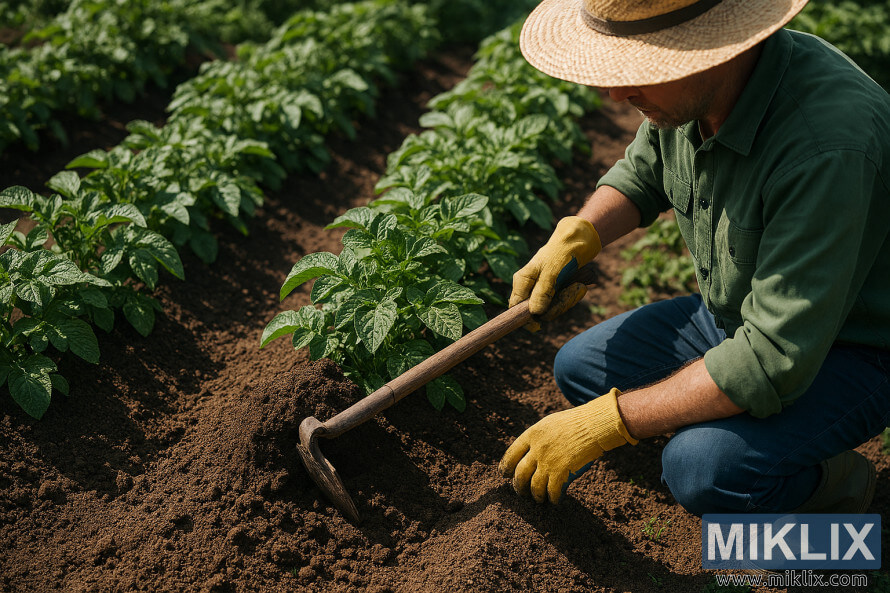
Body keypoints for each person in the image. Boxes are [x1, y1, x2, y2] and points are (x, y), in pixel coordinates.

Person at [498, 0, 890, 517]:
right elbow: (643, 171)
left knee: (703, 470)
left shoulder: (825, 147)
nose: (616, 94)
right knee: (580, 367)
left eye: (636, 71)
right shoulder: (693, 93)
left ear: (710, 51)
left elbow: (772, 358)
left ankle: (840, 491)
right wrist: (578, 234)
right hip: (740, 318)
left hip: (850, 347)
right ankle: (730, 420)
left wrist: (610, 422)